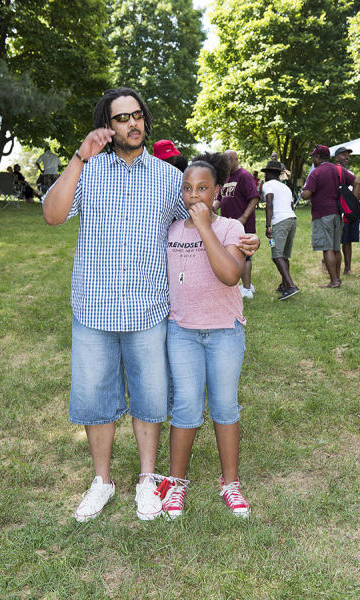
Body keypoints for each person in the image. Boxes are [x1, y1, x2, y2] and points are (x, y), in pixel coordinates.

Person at [43, 87, 261, 524]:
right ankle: (102, 481)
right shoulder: (88, 170)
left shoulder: (166, 177)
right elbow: (53, 214)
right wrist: (79, 157)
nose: (133, 123)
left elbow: (200, 215)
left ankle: (148, 479)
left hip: (148, 309)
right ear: (107, 126)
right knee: (95, 398)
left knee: (150, 398)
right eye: (122, 117)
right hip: (94, 306)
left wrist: (238, 241)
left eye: (138, 115)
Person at [160, 152, 259, 519]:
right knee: (185, 406)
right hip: (182, 332)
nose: (194, 195)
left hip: (223, 331)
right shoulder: (170, 230)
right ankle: (175, 483)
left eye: (202, 188)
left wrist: (204, 227)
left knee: (225, 406)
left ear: (217, 191)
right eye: (187, 188)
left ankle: (230, 482)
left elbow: (230, 275)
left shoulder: (231, 228)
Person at [301, 145, 360, 287]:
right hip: (337, 214)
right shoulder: (338, 169)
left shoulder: (316, 172)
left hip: (322, 214)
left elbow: (306, 194)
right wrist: (353, 201)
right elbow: (357, 182)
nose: (313, 160)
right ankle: (338, 278)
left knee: (327, 248)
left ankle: (333, 281)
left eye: (313, 157)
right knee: (336, 248)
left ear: (318, 157)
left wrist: (302, 193)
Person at [213, 150, 259, 299]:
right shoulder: (226, 178)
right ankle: (242, 284)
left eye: (227, 160)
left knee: (245, 254)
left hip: (242, 224)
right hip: (227, 225)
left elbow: (254, 198)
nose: (225, 163)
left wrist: (244, 217)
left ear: (235, 160)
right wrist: (213, 207)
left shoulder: (244, 175)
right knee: (231, 254)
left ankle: (247, 288)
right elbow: (220, 199)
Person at [262, 160, 299, 300]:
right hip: (292, 219)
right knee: (284, 255)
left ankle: (291, 286)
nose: (264, 175)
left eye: (266, 173)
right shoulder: (286, 187)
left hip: (280, 221)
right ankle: (284, 285)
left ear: (270, 173)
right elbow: (291, 205)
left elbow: (269, 203)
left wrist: (268, 225)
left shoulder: (268, 185)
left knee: (277, 255)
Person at [334, 146, 360, 274]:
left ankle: (347, 268)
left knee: (347, 241)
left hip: (348, 212)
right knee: (335, 241)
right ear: (336, 157)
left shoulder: (349, 173)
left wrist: (352, 205)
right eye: (344, 155)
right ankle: (327, 264)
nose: (347, 157)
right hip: (337, 211)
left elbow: (357, 184)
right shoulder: (334, 171)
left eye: (348, 155)